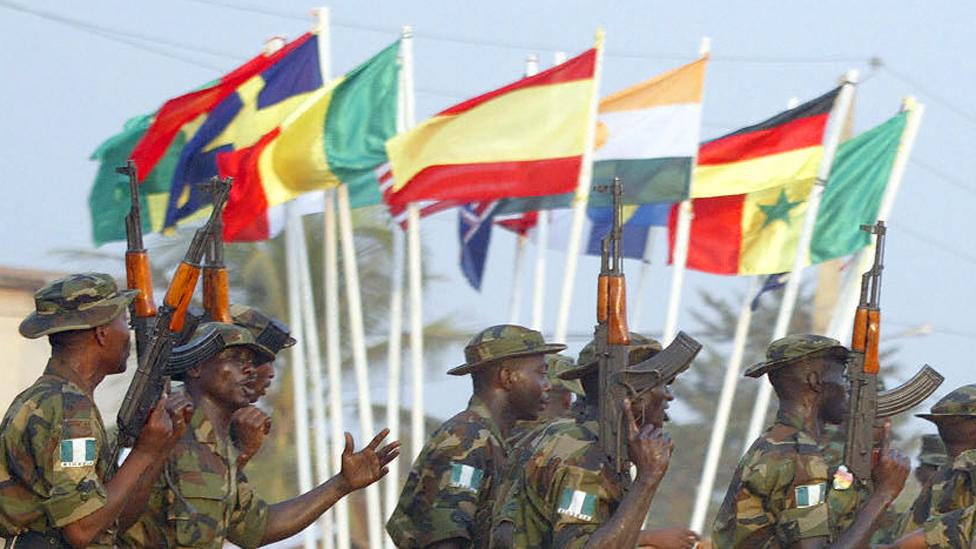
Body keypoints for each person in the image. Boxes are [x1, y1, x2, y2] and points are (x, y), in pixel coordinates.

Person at [121, 322, 399, 548]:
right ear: (195, 367)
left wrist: (340, 485)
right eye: (234, 358)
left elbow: (256, 528)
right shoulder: (163, 429)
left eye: (251, 361)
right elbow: (112, 519)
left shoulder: (218, 447)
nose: (249, 369)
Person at [0, 272, 191, 548]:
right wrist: (144, 452)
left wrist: (159, 448)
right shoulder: (69, 410)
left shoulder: (50, 399)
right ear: (102, 333)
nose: (129, 334)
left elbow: (113, 521)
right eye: (124, 322)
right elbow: (81, 529)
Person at [492, 333, 700, 549]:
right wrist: (648, 479)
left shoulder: (567, 435)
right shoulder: (586, 455)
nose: (668, 397)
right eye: (663, 384)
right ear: (634, 395)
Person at [711, 334, 910, 548]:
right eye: (842, 377)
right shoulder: (801, 458)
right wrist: (883, 494)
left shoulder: (772, 443)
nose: (846, 390)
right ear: (815, 381)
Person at [387, 324, 561, 548]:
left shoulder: (493, 439)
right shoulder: (466, 439)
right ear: (507, 377)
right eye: (541, 373)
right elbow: (446, 540)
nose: (548, 385)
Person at [899, 385, 976, 536]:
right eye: (941, 422)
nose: (945, 429)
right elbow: (906, 532)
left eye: (956, 421)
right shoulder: (945, 475)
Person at [228, 305, 297, 469]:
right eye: (262, 358)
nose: (271, 373)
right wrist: (245, 453)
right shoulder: (181, 414)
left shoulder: (236, 424)